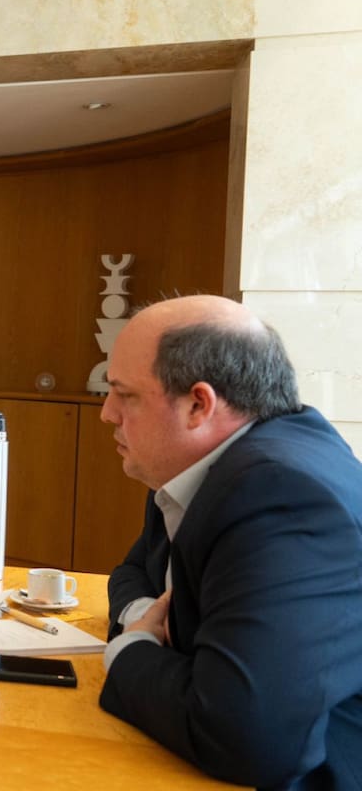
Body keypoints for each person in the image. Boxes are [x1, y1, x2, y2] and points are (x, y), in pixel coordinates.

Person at [99, 295, 362, 788]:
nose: (107, 413)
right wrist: (147, 619)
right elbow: (132, 573)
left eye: (124, 395)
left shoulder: (280, 495)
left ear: (198, 404)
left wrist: (131, 651)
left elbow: (244, 736)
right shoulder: (204, 468)